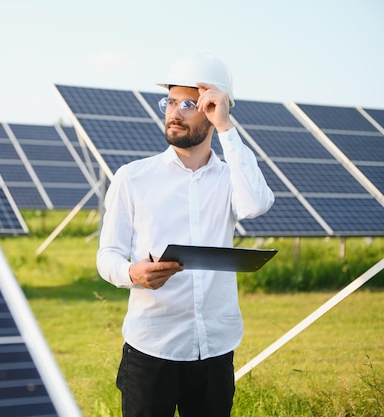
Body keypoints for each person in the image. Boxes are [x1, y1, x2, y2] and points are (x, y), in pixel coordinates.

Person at [96, 53, 275, 417]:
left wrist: (226, 129)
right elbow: (107, 255)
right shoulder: (132, 178)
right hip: (151, 350)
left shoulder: (231, 178)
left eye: (190, 103)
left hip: (214, 351)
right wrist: (132, 273)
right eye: (171, 101)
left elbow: (256, 204)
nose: (175, 112)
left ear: (213, 108)